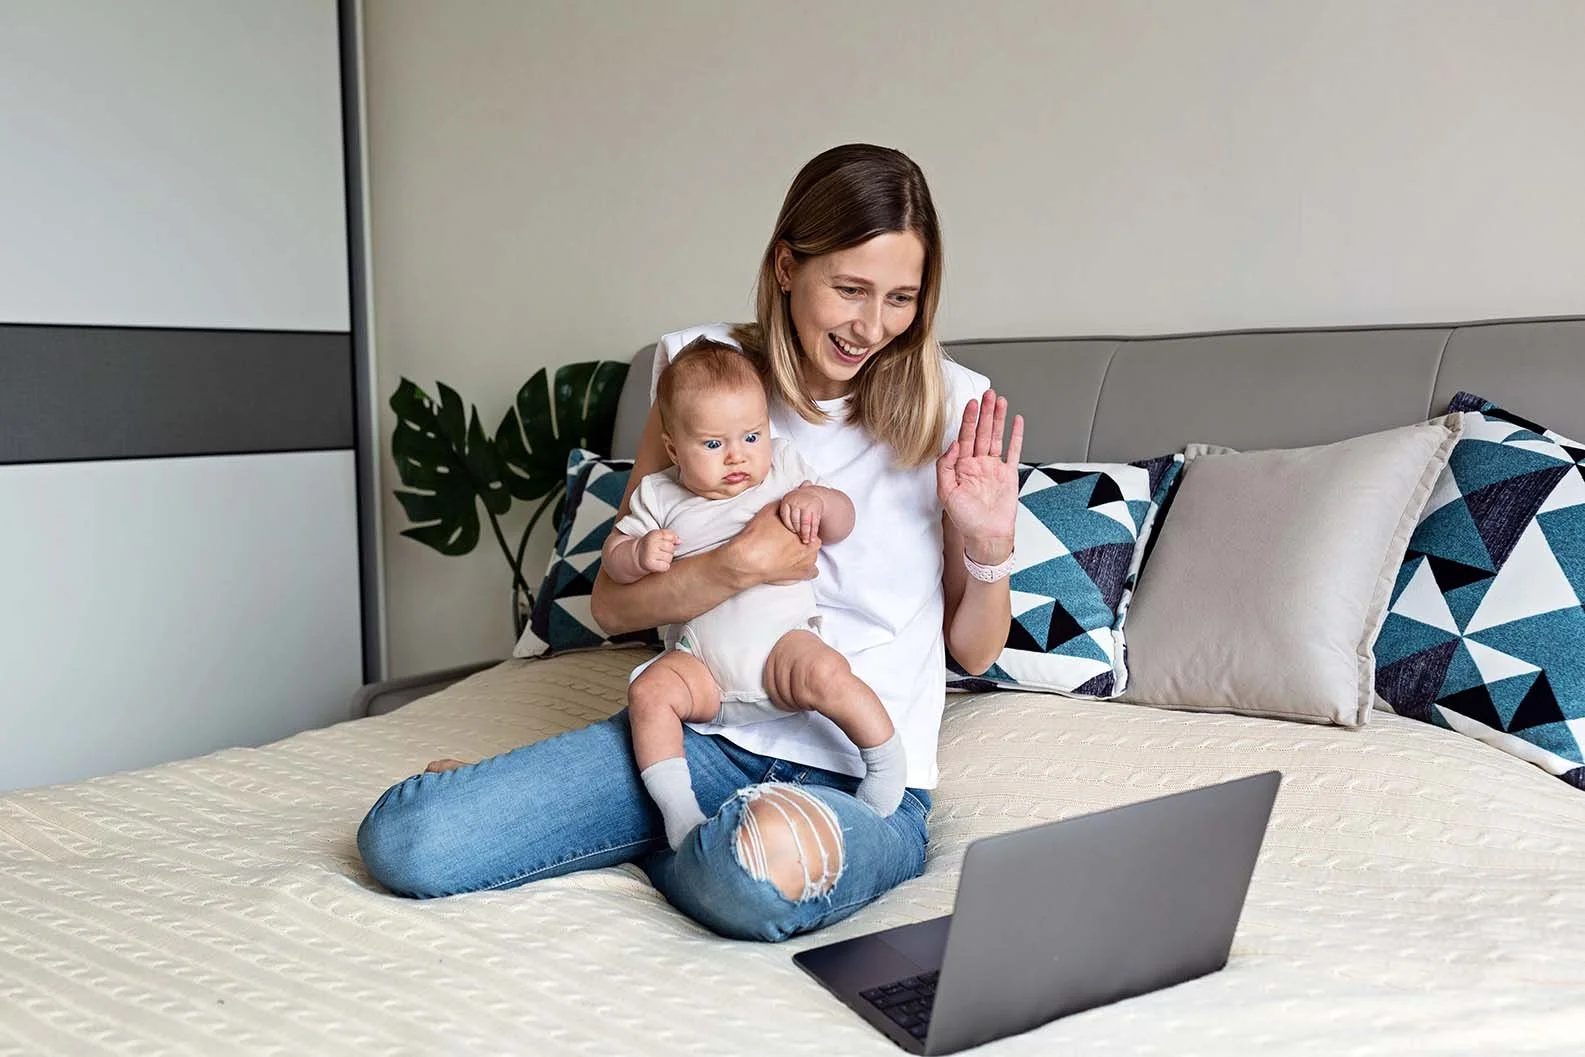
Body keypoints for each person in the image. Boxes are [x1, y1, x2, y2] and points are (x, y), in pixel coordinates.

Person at [357, 143, 1024, 942]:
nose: (870, 326)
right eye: (849, 289)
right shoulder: (700, 377)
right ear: (786, 266)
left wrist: (988, 542)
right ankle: (675, 836)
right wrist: (736, 564)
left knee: (759, 876)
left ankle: (647, 842)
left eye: (900, 298)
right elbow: (612, 607)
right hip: (698, 736)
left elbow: (973, 651)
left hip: (857, 775)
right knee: (410, 839)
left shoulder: (952, 404)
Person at [607, 336, 907, 852]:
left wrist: (819, 503)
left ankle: (885, 763)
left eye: (751, 436)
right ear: (674, 449)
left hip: (781, 649)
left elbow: (843, 520)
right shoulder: (659, 494)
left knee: (827, 673)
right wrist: (636, 554)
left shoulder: (785, 470)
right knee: (649, 693)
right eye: (713, 445)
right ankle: (679, 809)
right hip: (700, 669)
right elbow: (614, 558)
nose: (737, 457)